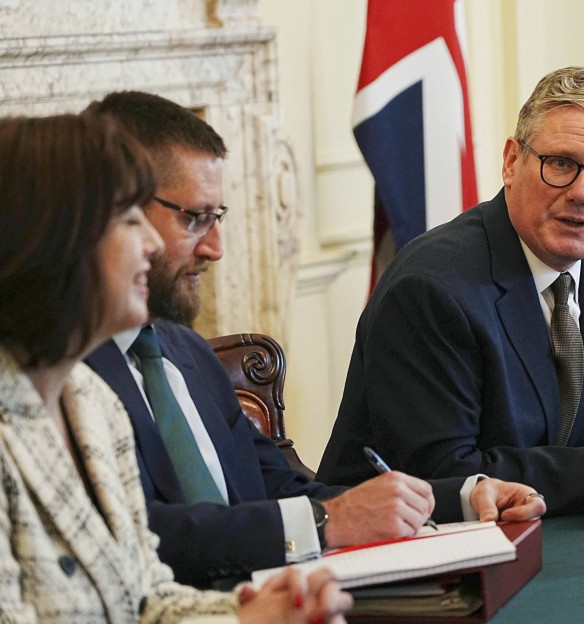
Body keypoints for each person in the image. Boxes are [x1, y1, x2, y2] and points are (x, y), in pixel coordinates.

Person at [83, 91, 545, 589]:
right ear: (111, 212)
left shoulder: (186, 353)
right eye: (195, 219)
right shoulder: (65, 375)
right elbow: (138, 536)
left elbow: (283, 486)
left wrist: (460, 497)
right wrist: (327, 523)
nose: (216, 249)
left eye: (218, 218)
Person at [316, 66, 584, 515]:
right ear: (511, 162)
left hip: (537, 526)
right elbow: (443, 474)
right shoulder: (432, 287)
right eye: (561, 164)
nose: (583, 193)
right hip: (402, 549)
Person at [0, 113, 348, 623]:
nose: (152, 243)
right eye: (127, 219)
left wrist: (259, 613)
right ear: (55, 238)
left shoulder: (92, 406)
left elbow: (151, 599)